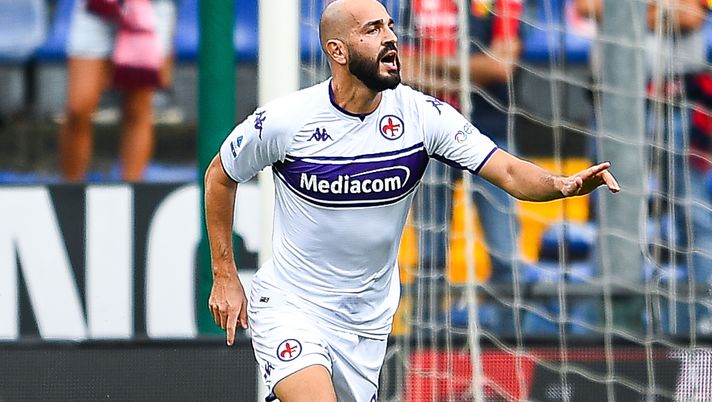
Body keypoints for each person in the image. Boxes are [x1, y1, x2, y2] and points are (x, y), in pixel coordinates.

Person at [204, 0, 620, 400]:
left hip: (366, 321)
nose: (391, 38)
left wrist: (561, 185)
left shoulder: (423, 117)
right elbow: (219, 176)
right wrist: (225, 273)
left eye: (389, 26)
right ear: (337, 51)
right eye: (372, 30)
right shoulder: (285, 120)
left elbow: (508, 171)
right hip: (291, 306)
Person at [576, 0, 712, 334]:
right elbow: (585, 7)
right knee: (612, 216)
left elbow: (691, 15)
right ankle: (610, 321)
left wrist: (631, 12)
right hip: (611, 103)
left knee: (693, 216)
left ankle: (702, 316)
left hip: (678, 101)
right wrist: (658, 10)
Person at [399, 0, 523, 284]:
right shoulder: (416, 3)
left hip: (491, 132)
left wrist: (429, 65)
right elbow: (402, 66)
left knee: (505, 257)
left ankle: (506, 330)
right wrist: (471, 73)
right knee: (430, 260)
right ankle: (430, 329)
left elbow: (501, 66)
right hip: (429, 134)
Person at [59, 0, 175, 182]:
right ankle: (70, 193)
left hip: (150, 9)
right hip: (96, 8)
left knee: (137, 107)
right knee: (78, 107)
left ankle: (132, 190)